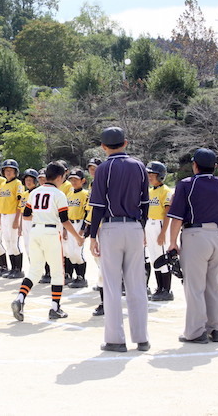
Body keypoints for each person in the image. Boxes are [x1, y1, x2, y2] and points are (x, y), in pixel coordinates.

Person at [89, 127, 150, 353]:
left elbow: (97, 206)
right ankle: (142, 338)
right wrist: (141, 228)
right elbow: (145, 202)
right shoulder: (139, 166)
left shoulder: (104, 169)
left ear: (103, 147)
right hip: (134, 226)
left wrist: (93, 235)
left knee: (112, 286)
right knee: (136, 285)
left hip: (111, 227)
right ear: (125, 143)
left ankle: (116, 339)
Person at [10, 162, 85, 321]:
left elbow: (26, 214)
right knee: (58, 272)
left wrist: (41, 217)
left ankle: (20, 299)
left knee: (34, 271)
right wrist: (77, 237)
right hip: (51, 232)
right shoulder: (59, 194)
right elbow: (65, 220)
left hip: (35, 230)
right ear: (59, 177)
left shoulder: (35, 192)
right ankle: (55, 308)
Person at [168, 148, 218, 344]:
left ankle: (195, 331)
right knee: (214, 286)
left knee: (195, 287)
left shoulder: (186, 184)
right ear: (215, 166)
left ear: (195, 165)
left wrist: (172, 242)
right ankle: (215, 328)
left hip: (196, 235)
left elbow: (177, 218)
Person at [145, 161, 174, 302]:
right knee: (154, 258)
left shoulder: (166, 191)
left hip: (160, 225)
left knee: (162, 258)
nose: (149, 177)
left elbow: (168, 213)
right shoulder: (150, 191)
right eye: (148, 174)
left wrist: (163, 233)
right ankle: (159, 288)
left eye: (152, 174)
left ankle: (167, 290)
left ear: (160, 175)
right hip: (149, 225)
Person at [0, 159, 24, 279]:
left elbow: (20, 202)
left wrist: (17, 219)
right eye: (6, 170)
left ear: (15, 172)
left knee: (14, 242)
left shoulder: (18, 184)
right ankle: (12, 268)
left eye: (11, 171)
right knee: (7, 242)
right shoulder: (2, 184)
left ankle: (18, 269)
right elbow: (0, 203)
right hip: (3, 215)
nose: (8, 173)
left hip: (13, 215)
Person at [85, 158, 104, 316]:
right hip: (97, 224)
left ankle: (105, 302)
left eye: (95, 168)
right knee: (99, 261)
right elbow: (92, 209)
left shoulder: (105, 183)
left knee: (104, 265)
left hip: (108, 226)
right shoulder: (92, 185)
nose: (92, 170)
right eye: (90, 168)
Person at [64, 168, 90, 288]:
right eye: (72, 179)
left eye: (76, 179)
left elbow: (87, 212)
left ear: (83, 180)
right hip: (70, 224)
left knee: (77, 251)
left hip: (79, 223)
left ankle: (81, 277)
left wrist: (83, 229)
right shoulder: (69, 194)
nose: (73, 182)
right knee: (70, 252)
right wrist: (65, 228)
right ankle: (75, 276)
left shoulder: (85, 194)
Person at [36, 168, 52, 285]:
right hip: (39, 225)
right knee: (41, 250)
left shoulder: (53, 192)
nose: (42, 181)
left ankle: (53, 273)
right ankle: (46, 273)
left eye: (44, 178)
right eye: (40, 179)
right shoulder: (36, 192)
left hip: (51, 225)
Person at [20, 168, 39, 258]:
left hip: (34, 222)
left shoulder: (38, 193)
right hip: (25, 222)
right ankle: (33, 270)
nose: (28, 182)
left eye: (31, 180)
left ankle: (44, 271)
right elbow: (21, 211)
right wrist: (20, 226)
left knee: (36, 246)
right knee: (27, 246)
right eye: (26, 180)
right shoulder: (24, 194)